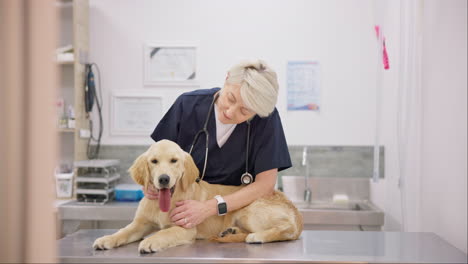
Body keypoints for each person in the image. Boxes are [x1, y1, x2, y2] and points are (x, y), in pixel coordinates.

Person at [146, 59, 292, 229]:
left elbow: (265, 185)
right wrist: (150, 184)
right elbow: (156, 159)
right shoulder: (187, 105)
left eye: (244, 111)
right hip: (182, 213)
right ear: (227, 78)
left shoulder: (266, 120)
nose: (231, 112)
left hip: (235, 218)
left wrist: (210, 207)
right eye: (230, 98)